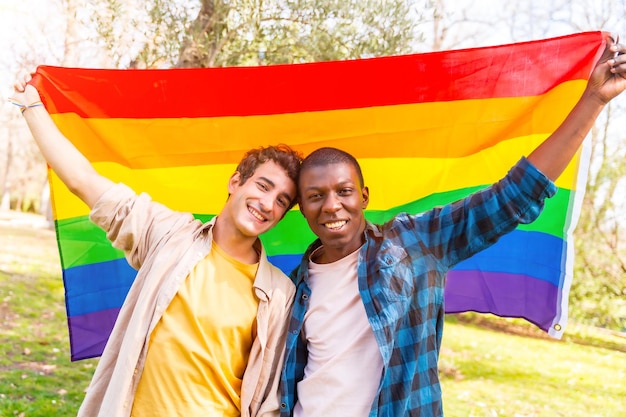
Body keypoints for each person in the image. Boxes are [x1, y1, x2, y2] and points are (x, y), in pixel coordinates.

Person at [278, 35, 626, 417]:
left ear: (364, 197)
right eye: (315, 196)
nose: (332, 205)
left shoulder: (415, 243)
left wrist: (594, 99)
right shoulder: (294, 284)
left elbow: (514, 196)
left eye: (343, 191)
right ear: (301, 207)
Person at [12, 74, 301, 417]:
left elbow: (268, 396)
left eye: (282, 200)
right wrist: (31, 107)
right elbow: (83, 181)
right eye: (263, 186)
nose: (268, 204)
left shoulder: (279, 293)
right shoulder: (169, 234)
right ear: (235, 181)